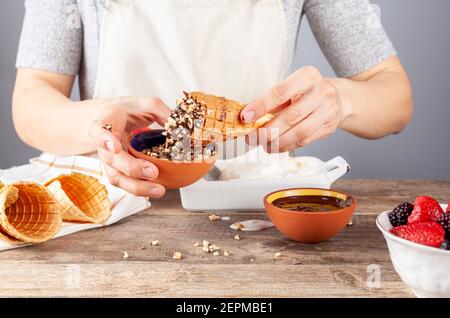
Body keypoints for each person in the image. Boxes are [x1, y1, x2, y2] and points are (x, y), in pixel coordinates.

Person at [12, 0, 413, 198]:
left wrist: (342, 98)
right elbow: (32, 97)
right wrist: (92, 122)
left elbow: (394, 97)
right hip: (116, 204)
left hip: (259, 208)